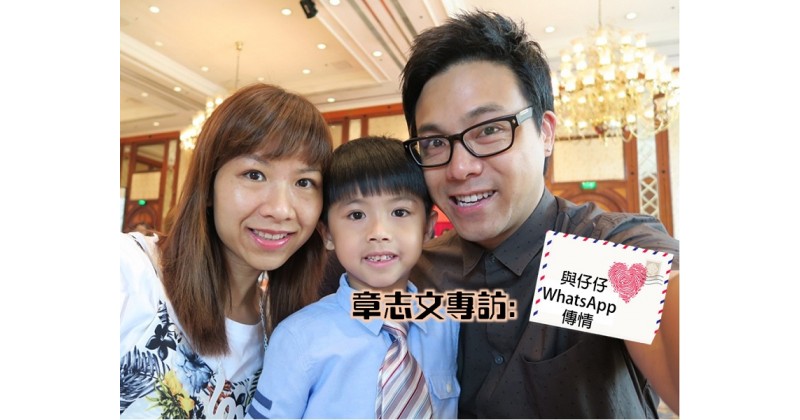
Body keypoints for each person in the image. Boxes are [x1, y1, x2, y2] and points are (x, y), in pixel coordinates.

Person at [397, 10, 680, 418]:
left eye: (489, 130)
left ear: (545, 133)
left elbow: (669, 308)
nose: (459, 169)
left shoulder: (598, 248)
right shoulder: (417, 273)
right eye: (435, 143)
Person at [120, 83, 333, 418]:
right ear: (208, 185)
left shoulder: (282, 331)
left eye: (304, 182)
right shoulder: (128, 271)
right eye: (254, 174)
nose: (281, 209)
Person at [247, 136, 460, 419]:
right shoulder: (298, 339)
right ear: (327, 234)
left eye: (400, 212)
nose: (379, 232)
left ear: (427, 228)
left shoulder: (447, 324)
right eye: (356, 214)